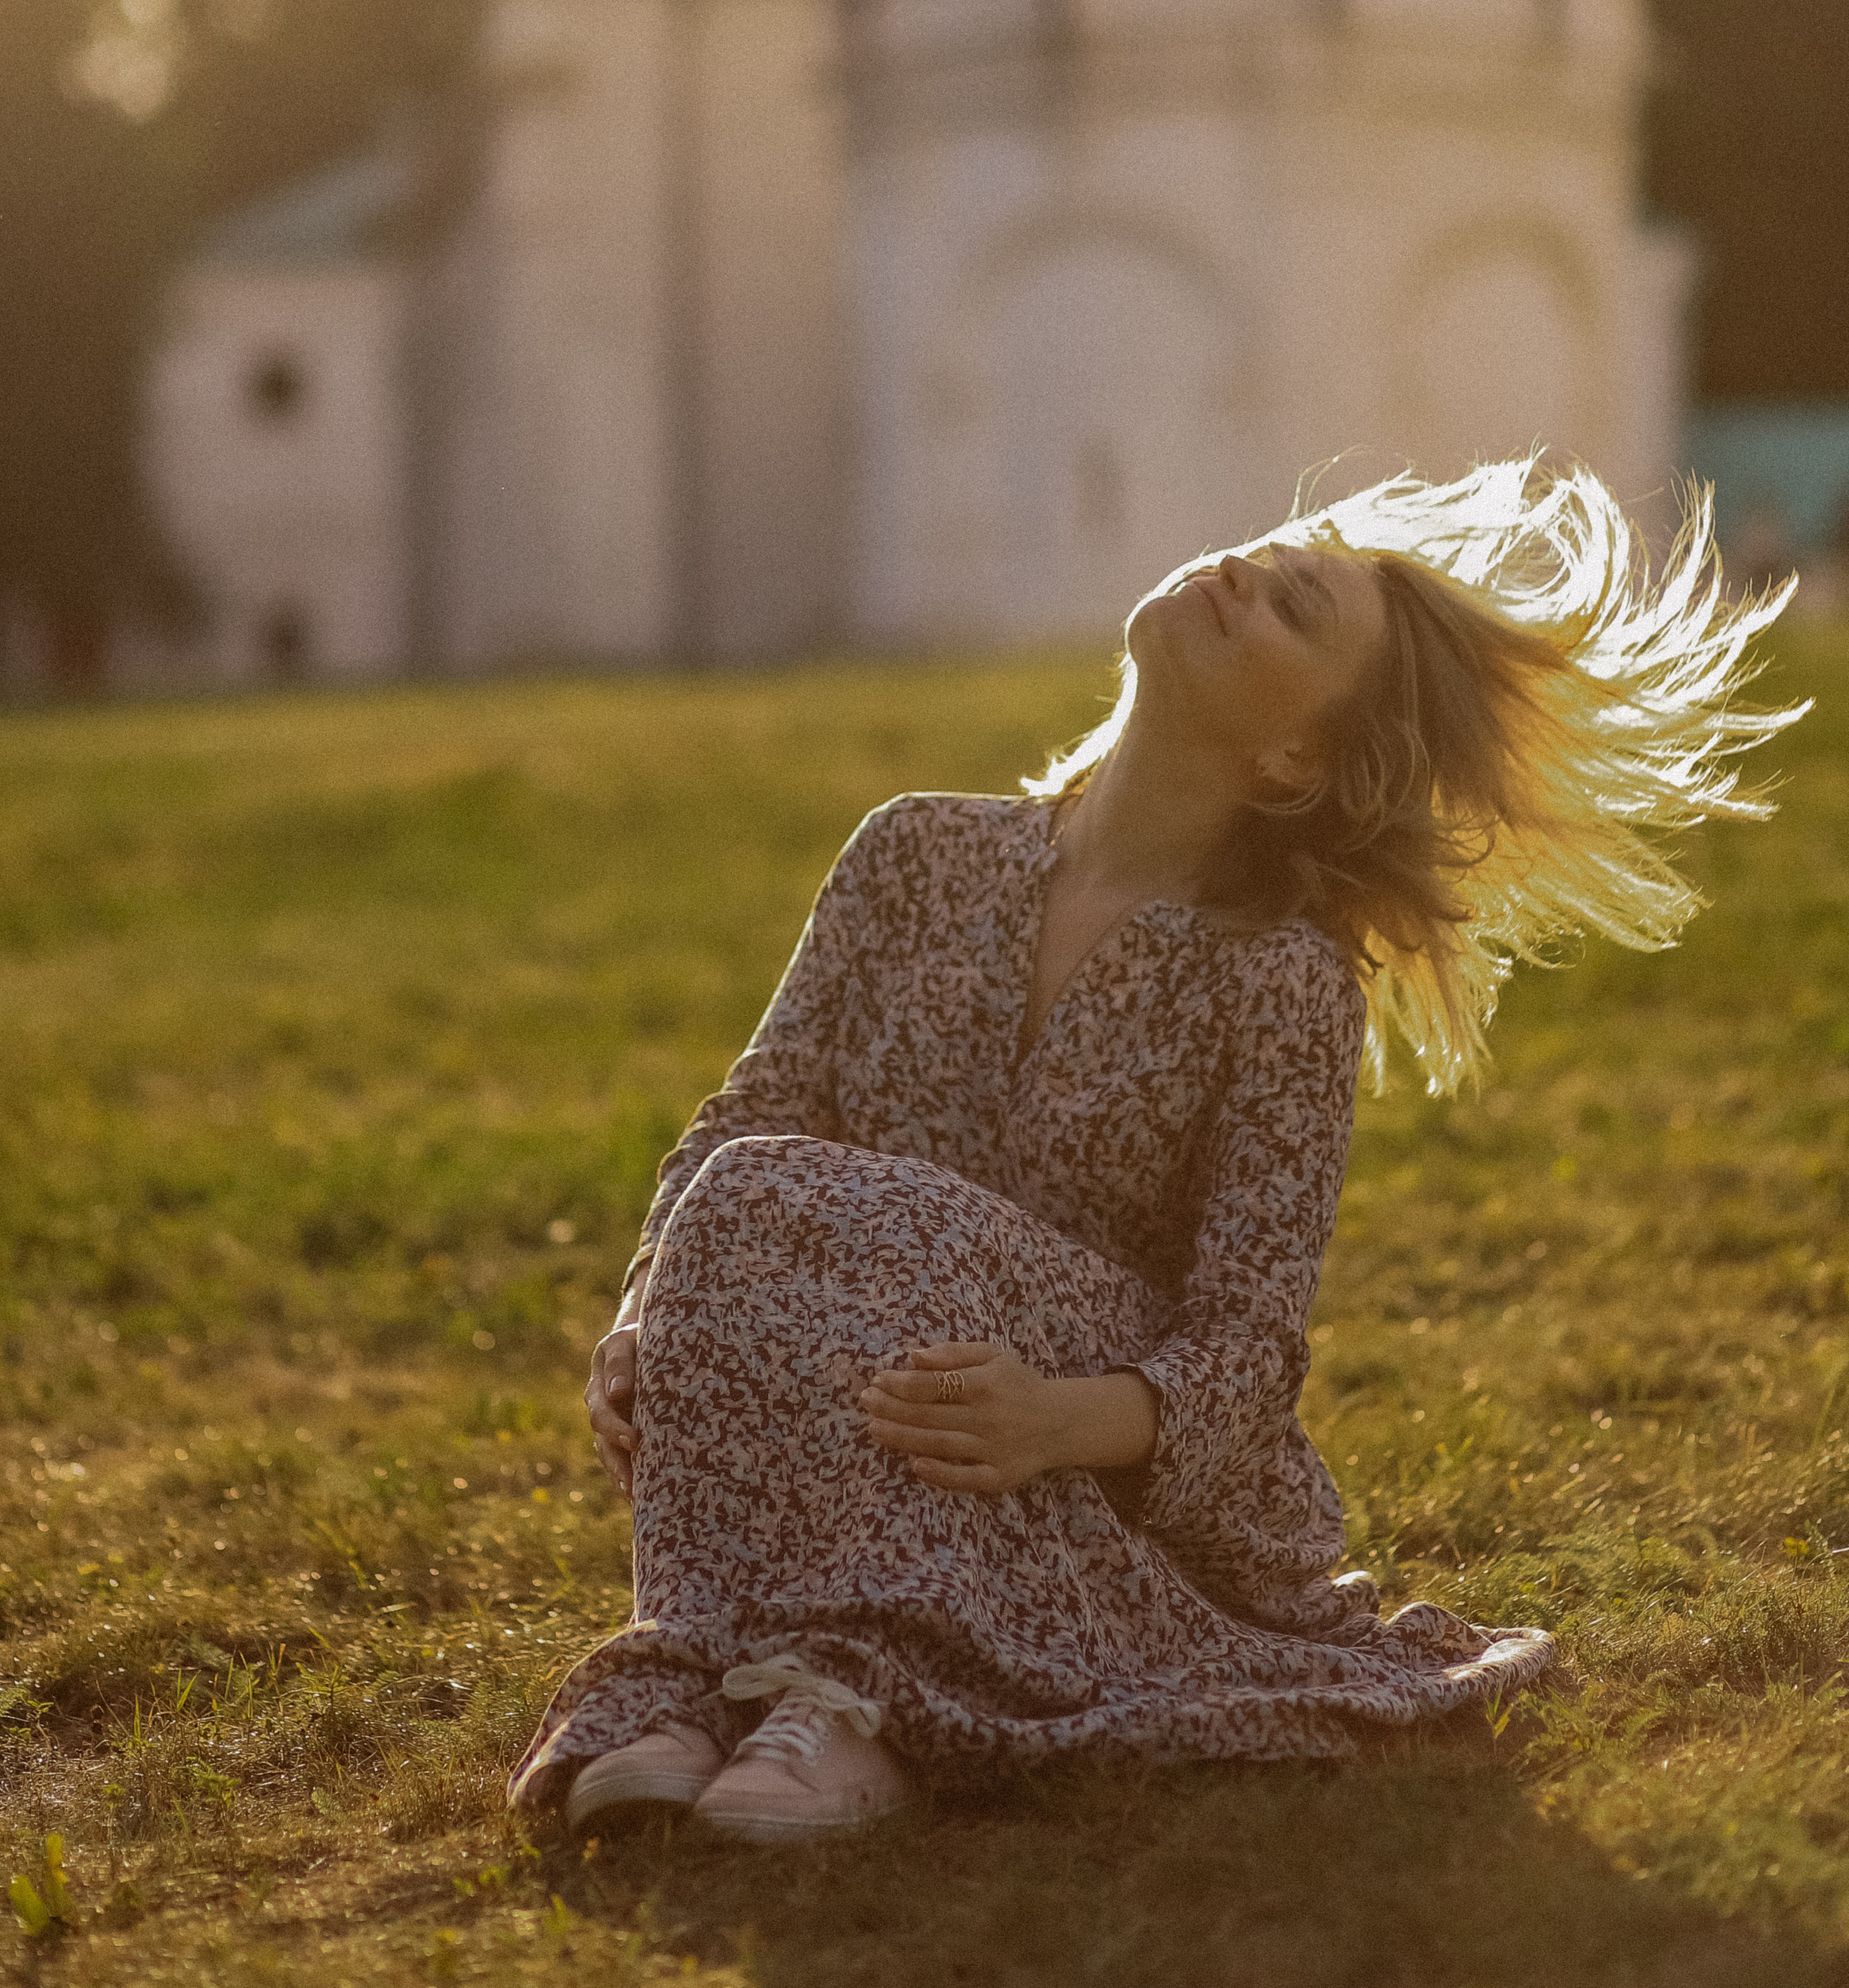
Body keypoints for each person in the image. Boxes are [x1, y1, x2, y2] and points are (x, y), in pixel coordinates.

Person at [509, 461, 1797, 1843]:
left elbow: (1249, 1347)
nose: (1239, 572)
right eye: (1266, 554)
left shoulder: (1283, 978)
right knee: (753, 1180)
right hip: (853, 1407)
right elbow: (745, 1114)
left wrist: (1049, 1420)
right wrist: (648, 1317)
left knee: (785, 1190)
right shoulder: (909, 854)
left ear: (1294, 759)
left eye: (1293, 608)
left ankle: (854, 1695)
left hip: (1091, 1459)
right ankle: (684, 1681)